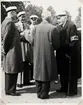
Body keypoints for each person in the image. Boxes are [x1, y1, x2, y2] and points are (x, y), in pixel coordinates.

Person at [31, 10, 60, 99]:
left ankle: (39, 92)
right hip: (48, 54)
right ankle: (44, 94)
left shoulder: (35, 28)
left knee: (38, 72)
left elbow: (32, 41)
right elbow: (57, 44)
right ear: (49, 17)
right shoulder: (53, 28)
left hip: (37, 54)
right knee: (46, 72)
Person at [56, 11, 80, 96]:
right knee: (63, 72)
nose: (58, 20)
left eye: (59, 18)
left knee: (71, 73)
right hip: (62, 54)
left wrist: (69, 53)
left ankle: (72, 91)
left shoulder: (71, 25)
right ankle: (64, 87)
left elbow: (74, 41)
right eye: (57, 18)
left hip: (70, 54)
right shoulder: (60, 27)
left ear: (64, 17)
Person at [1, 6, 23, 96]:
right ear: (11, 13)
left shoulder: (5, 21)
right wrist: (5, 49)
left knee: (8, 70)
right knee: (12, 70)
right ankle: (11, 90)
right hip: (11, 50)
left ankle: (8, 89)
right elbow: (7, 38)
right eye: (14, 12)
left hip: (9, 49)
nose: (15, 14)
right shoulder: (10, 22)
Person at [16, 11, 34, 87]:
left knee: (27, 63)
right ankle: (20, 82)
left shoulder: (27, 25)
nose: (23, 18)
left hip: (27, 45)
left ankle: (27, 80)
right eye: (21, 16)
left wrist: (26, 35)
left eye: (24, 16)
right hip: (20, 45)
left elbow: (30, 34)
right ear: (18, 17)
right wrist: (22, 35)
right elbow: (16, 36)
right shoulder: (16, 25)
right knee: (21, 62)